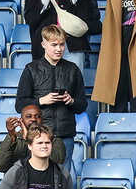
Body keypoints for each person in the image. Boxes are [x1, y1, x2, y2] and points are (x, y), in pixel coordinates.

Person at [15, 25, 88, 166]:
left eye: (62, 44)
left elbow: (82, 105)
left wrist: (71, 101)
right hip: (38, 135)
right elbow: (20, 105)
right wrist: (41, 101)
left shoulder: (73, 69)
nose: (59, 49)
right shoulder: (31, 69)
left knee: (63, 176)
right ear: (43, 44)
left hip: (65, 135)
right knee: (38, 176)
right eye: (54, 45)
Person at [0, 104, 67, 173]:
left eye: (38, 116)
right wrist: (12, 138)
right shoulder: (14, 139)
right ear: (21, 120)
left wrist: (29, 139)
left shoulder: (54, 140)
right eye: (29, 116)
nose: (33, 119)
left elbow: (56, 163)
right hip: (18, 181)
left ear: (42, 120)